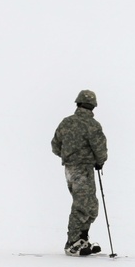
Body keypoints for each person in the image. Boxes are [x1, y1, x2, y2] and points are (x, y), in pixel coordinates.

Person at [51, 90, 108, 256]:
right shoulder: (92, 125)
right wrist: (99, 161)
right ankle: (73, 243)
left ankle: (81, 240)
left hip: (70, 168)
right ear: (93, 106)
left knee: (88, 204)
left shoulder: (66, 123)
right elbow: (100, 149)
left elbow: (55, 145)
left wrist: (68, 156)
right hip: (84, 169)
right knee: (84, 205)